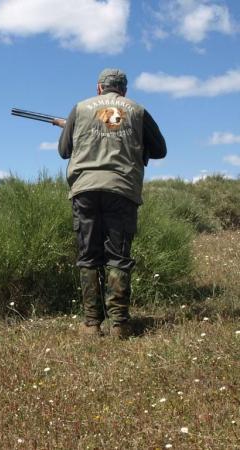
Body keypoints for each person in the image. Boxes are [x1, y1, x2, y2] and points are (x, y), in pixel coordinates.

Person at [56, 68, 167, 339]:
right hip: (122, 190)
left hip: (86, 190)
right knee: (118, 256)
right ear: (124, 90)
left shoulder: (80, 108)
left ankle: (92, 325)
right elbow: (161, 150)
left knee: (88, 256)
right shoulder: (137, 110)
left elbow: (63, 151)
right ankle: (119, 325)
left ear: (98, 88)